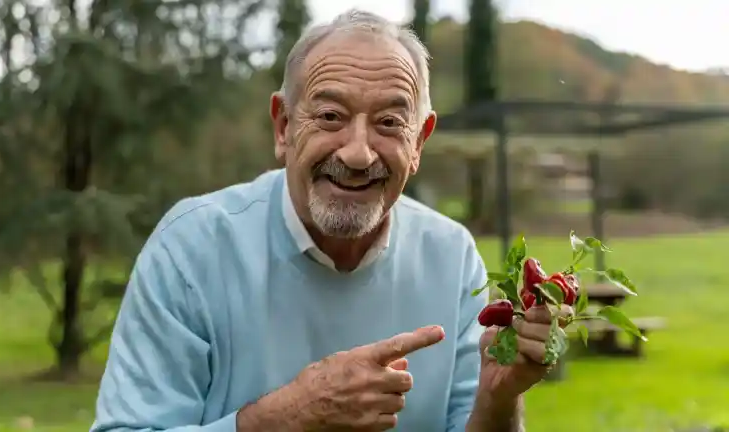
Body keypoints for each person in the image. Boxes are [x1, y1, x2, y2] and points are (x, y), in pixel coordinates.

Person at [91, 9, 572, 432]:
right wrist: (290, 416)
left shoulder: (451, 256)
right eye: (330, 116)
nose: (358, 154)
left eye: (389, 123)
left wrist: (499, 398)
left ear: (419, 142)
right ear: (283, 127)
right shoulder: (192, 248)